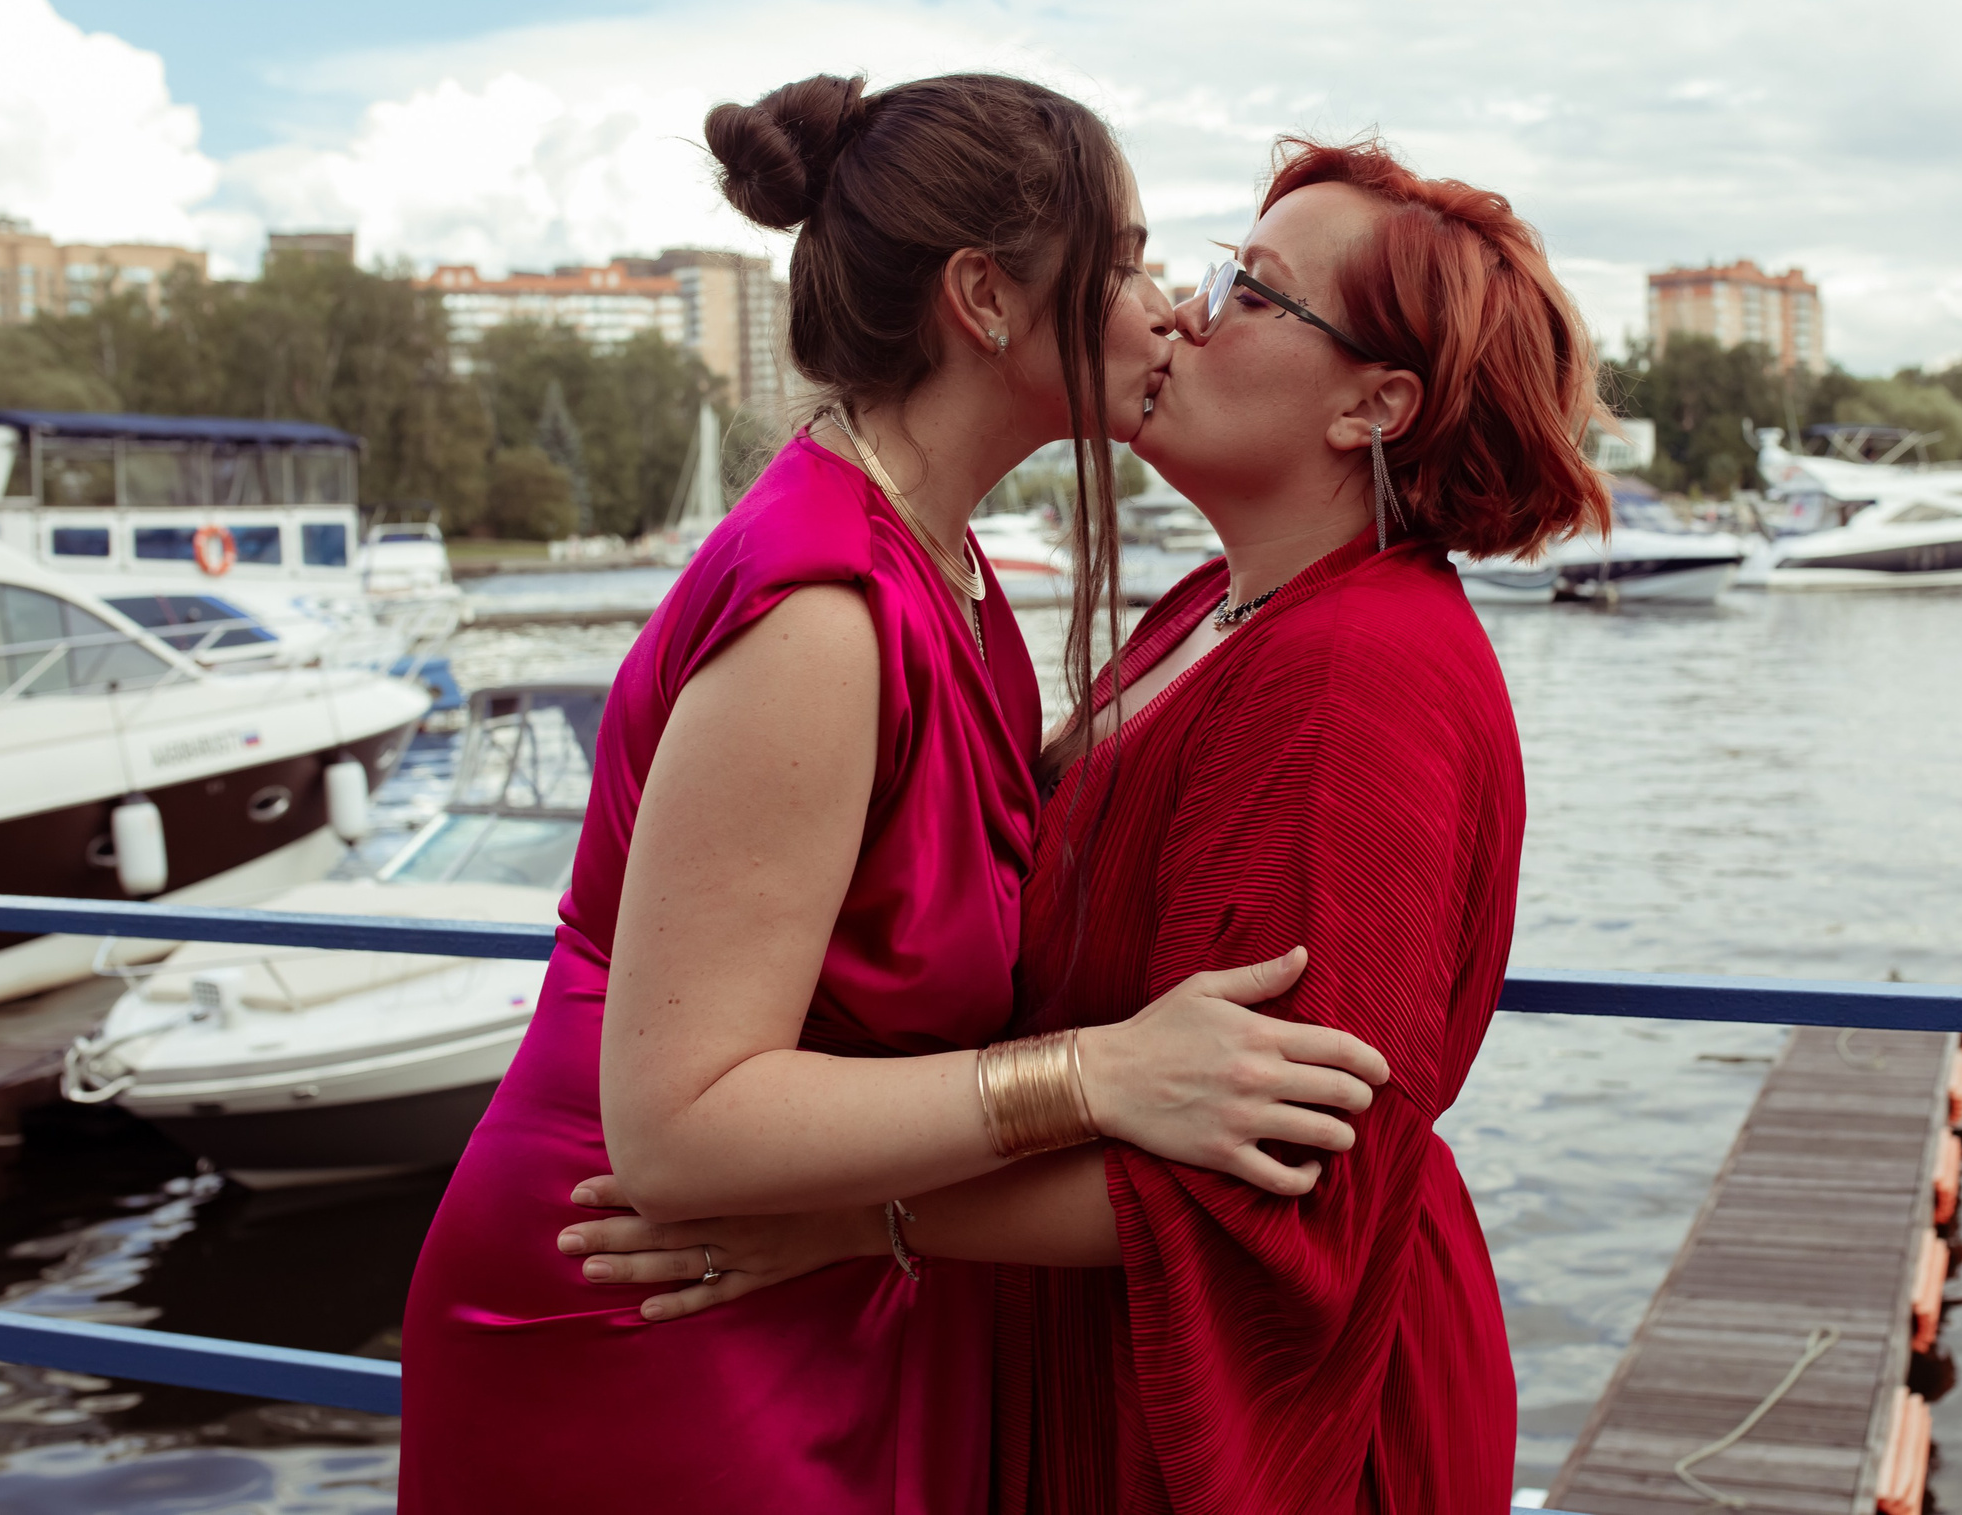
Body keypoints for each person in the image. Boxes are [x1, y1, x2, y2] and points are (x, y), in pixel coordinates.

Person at [563, 136, 1611, 1512]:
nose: (1184, 308)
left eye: (1248, 289)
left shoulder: (1359, 681)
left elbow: (1284, 1186)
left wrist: (855, 1221)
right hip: (1072, 1343)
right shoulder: (1220, 612)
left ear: (1373, 405)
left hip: (1262, 1417)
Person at [395, 75, 1392, 1515]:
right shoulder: (822, 612)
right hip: (650, 1299)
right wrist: (1100, 1078)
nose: (1170, 305)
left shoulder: (951, 573)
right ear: (986, 297)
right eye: (1123, 263)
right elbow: (676, 1129)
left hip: (809, 1272)